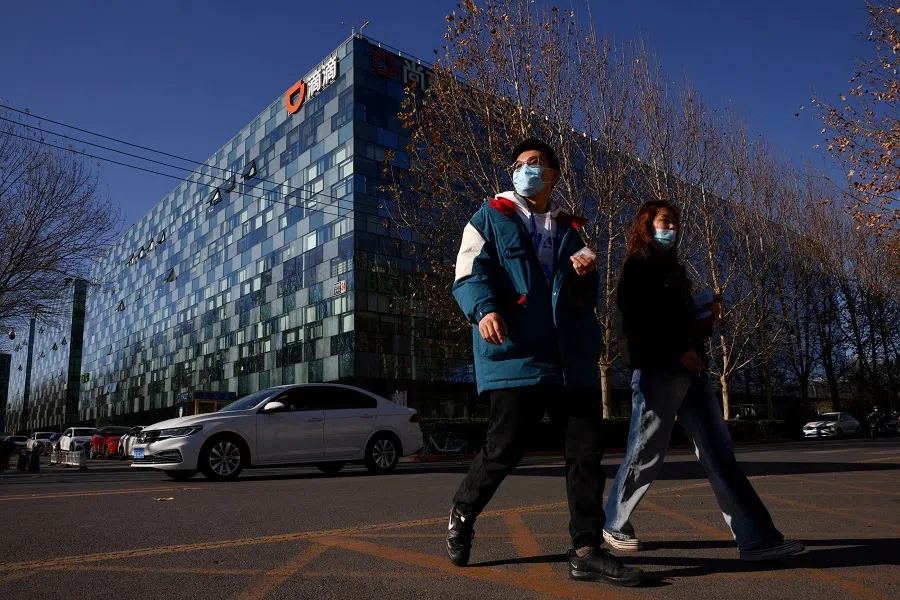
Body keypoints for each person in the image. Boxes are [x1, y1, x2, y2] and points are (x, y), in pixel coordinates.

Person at [446, 138, 645, 587]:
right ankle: (462, 511)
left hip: (569, 358)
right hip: (517, 353)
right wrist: (485, 310)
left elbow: (583, 299)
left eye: (534, 164)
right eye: (518, 165)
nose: (524, 170)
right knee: (506, 447)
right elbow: (467, 273)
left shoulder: (571, 230)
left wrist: (585, 278)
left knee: (585, 455)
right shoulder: (490, 218)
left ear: (553, 175)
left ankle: (585, 550)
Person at [603, 200, 805, 561]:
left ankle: (758, 539)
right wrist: (678, 348)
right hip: (659, 371)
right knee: (645, 452)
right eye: (665, 220)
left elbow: (677, 322)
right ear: (645, 224)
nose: (672, 228)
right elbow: (634, 324)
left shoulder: (675, 270)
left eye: (676, 222)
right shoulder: (639, 265)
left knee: (719, 454)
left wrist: (702, 316)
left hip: (692, 370)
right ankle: (614, 524)